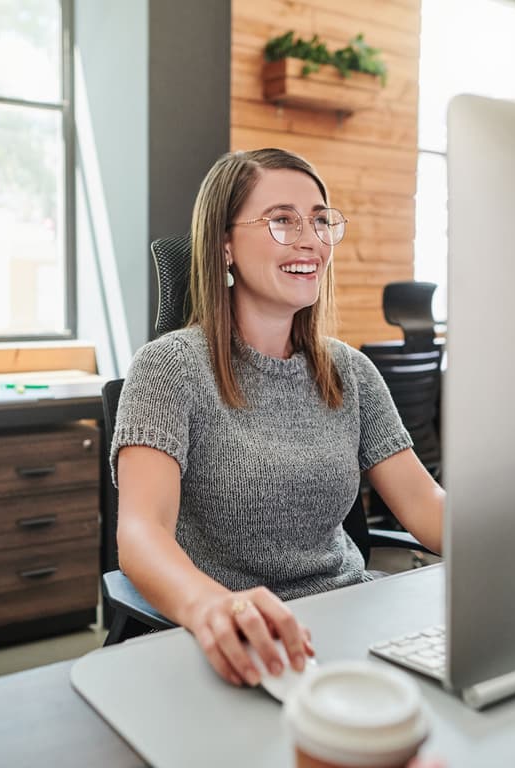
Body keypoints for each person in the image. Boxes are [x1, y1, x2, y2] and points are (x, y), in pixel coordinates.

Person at [111, 148, 444, 689]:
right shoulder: (169, 368)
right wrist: (213, 609)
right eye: (282, 221)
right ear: (224, 244)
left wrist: (512, 541)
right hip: (233, 642)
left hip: (347, 623)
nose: (310, 239)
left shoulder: (350, 371)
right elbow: (141, 533)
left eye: (319, 220)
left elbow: (425, 505)